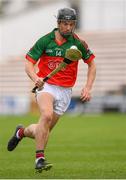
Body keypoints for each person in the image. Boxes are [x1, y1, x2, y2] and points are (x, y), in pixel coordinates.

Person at [7, 8, 96, 172]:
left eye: (71, 24)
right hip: (46, 86)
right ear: (58, 23)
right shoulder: (45, 40)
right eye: (65, 24)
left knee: (42, 130)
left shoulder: (78, 43)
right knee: (46, 115)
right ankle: (39, 159)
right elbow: (28, 64)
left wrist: (88, 87)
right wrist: (36, 79)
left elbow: (91, 64)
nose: (68, 28)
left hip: (65, 91)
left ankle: (21, 132)